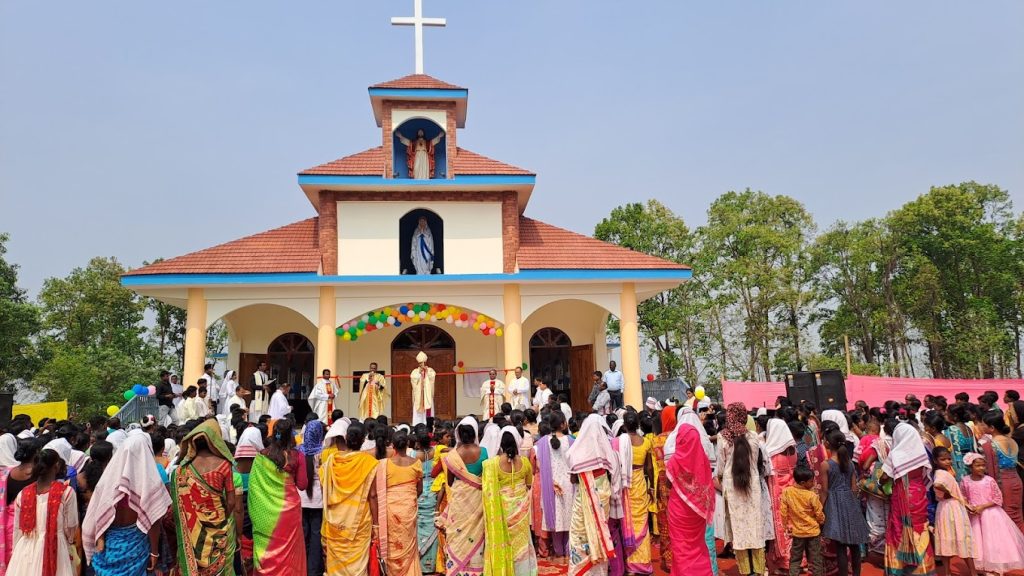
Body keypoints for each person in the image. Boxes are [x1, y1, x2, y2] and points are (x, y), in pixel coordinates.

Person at [82, 433, 171, 576]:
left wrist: (101, 539)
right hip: (137, 548)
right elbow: (154, 522)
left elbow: (99, 514)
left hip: (110, 548)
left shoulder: (109, 480)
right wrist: (154, 552)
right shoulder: (150, 483)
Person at [171, 419, 238, 576]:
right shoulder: (224, 465)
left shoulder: (183, 470)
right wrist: (221, 518)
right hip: (218, 527)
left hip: (191, 531)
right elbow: (231, 501)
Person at [320, 421, 379, 576]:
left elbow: (323, 487)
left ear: (346, 438)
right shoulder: (369, 462)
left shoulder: (331, 461)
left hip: (334, 520)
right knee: (358, 566)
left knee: (335, 565)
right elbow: (372, 495)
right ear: (363, 440)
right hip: (358, 523)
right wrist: (376, 526)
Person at [717, 402, 769, 576]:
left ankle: (746, 571)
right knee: (755, 527)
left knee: (739, 529)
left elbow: (720, 466)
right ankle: (759, 570)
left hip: (732, 488)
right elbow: (758, 462)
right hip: (752, 486)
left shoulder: (722, 437)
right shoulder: (754, 436)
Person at [9, 448, 78, 576]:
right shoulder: (66, 493)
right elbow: (71, 526)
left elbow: (18, 529)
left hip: (26, 549)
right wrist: (68, 542)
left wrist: (16, 552)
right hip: (56, 547)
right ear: (57, 466)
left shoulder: (23, 493)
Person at [481, 426, 537, 575]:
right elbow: (529, 484)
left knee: (506, 542)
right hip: (521, 509)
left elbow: (488, 490)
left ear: (500, 444)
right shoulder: (524, 462)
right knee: (522, 542)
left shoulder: (492, 464)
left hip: (502, 509)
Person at [882, 421, 935, 576]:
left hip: (902, 496)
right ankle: (923, 568)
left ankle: (901, 566)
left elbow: (885, 476)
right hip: (919, 493)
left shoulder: (896, 455)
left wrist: (880, 482)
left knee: (899, 526)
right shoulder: (921, 452)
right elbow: (926, 474)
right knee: (919, 526)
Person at [565, 414, 616, 576]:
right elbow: (612, 475)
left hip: (583, 502)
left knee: (579, 536)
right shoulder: (608, 452)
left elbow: (573, 479)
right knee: (600, 532)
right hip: (603, 497)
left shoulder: (576, 452)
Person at [438, 417, 488, 576]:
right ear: (475, 434)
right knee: (477, 534)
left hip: (460, 501)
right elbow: (487, 478)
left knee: (458, 536)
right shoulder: (484, 452)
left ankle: (457, 570)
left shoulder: (452, 455)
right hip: (478, 500)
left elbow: (450, 482)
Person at [664, 421, 715, 575]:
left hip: (679, 510)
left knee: (681, 548)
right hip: (697, 510)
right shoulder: (703, 459)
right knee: (698, 546)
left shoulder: (674, 461)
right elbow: (707, 482)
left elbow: (667, 484)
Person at [961, 451, 1024, 574]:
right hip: (974, 517)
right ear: (970, 467)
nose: (981, 468)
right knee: (979, 542)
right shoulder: (965, 481)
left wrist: (982, 507)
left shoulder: (989, 480)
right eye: (977, 466)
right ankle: (984, 567)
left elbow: (998, 498)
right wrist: (968, 506)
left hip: (991, 515)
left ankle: (996, 568)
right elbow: (963, 496)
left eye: (983, 466)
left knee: (993, 541)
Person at [820, 429, 868, 576]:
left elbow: (824, 491)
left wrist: (820, 508)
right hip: (850, 502)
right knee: (854, 543)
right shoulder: (850, 464)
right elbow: (854, 488)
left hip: (834, 504)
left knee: (840, 544)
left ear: (827, 443)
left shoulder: (826, 464)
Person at [376, 430, 423, 576]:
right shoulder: (416, 463)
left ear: (392, 445)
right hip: (409, 509)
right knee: (409, 541)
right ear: (408, 444)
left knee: (392, 543)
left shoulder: (384, 464)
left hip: (391, 511)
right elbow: (419, 490)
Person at [930, 446, 978, 576]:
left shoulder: (948, 471)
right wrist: (949, 492)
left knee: (951, 539)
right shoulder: (940, 473)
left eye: (949, 459)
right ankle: (968, 572)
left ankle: (949, 572)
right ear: (935, 461)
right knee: (960, 538)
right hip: (949, 508)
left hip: (952, 507)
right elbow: (937, 484)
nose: (947, 461)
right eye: (943, 459)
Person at [535, 411, 573, 564]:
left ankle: (559, 554)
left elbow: (539, 465)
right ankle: (569, 552)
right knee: (569, 517)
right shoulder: (571, 441)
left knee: (556, 519)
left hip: (551, 483)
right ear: (563, 424)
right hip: (570, 483)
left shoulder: (543, 443)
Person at [979, 411, 1024, 533]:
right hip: (1016, 480)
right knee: (1017, 514)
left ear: (992, 428)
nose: (981, 427)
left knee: (1005, 514)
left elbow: (986, 469)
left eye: (983, 424)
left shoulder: (988, 445)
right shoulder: (1012, 441)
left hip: (1002, 482)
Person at [763, 418, 796, 575]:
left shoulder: (771, 452)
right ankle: (798, 560)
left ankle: (784, 560)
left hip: (777, 492)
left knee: (780, 526)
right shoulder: (792, 450)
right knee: (793, 524)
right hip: (793, 491)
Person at [780, 467, 824, 576]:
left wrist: (785, 526)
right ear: (803, 482)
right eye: (811, 481)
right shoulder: (812, 496)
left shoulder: (787, 492)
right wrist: (822, 521)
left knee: (795, 558)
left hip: (798, 533)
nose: (813, 483)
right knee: (816, 559)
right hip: (813, 532)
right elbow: (819, 513)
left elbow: (783, 511)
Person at [298, 420, 325, 576]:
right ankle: (313, 570)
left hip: (301, 498)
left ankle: (301, 567)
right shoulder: (323, 452)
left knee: (303, 536)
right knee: (316, 536)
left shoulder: (299, 451)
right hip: (318, 501)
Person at [410, 352, 435, 426]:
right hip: (419, 395)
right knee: (418, 412)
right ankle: (417, 425)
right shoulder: (415, 371)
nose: (422, 364)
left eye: (423, 362)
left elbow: (432, 377)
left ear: (425, 362)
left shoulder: (430, 370)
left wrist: (426, 372)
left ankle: (429, 426)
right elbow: (413, 380)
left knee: (428, 411)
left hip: (427, 394)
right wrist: (419, 373)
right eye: (420, 363)